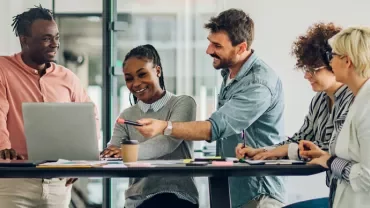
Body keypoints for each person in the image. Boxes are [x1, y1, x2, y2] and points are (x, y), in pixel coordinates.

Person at [133, 9, 286, 208]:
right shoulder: (230, 74)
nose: (208, 50)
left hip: (258, 195)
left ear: (241, 48)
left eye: (217, 45)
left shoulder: (258, 84)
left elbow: (214, 128)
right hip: (232, 189)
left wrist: (164, 126)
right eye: (209, 42)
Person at [0, 5, 99, 208]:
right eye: (46, 38)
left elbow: (90, 117)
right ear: (24, 39)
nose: (55, 44)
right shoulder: (3, 69)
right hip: (14, 181)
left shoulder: (68, 78)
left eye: (56, 37)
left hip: (58, 183)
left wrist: (80, 162)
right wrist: (3, 147)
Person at [236, 22, 353, 164]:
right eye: (306, 69)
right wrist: (264, 151)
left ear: (333, 63)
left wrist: (286, 150)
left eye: (313, 70)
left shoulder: (354, 100)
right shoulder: (320, 100)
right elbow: (301, 139)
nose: (307, 76)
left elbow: (336, 149)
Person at [100, 44, 199, 208]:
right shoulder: (127, 115)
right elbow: (114, 151)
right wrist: (109, 153)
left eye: (142, 74)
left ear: (157, 71)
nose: (136, 83)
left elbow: (167, 142)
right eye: (129, 78)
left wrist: (125, 152)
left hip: (178, 196)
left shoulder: (183, 103)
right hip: (138, 199)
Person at [300, 26, 370, 208]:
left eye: (333, 56)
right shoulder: (359, 100)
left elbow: (368, 177)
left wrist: (330, 162)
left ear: (347, 61)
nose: (330, 62)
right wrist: (326, 157)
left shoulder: (367, 107)